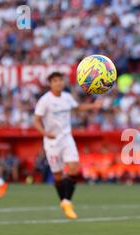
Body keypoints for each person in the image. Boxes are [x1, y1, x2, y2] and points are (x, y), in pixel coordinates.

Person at [34, 72, 102, 219]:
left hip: (66, 138)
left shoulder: (67, 97)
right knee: (57, 175)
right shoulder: (45, 101)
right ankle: (64, 202)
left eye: (60, 80)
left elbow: (77, 107)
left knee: (74, 168)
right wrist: (44, 133)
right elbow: (36, 120)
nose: (58, 83)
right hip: (52, 142)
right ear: (50, 83)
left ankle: (67, 201)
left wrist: (93, 105)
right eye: (55, 81)